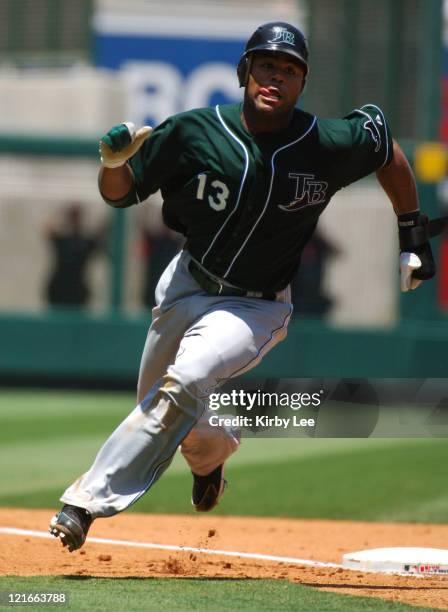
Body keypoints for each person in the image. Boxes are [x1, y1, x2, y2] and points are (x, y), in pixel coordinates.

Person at [49, 22, 435, 551]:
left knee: (186, 382)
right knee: (170, 408)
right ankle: (213, 459)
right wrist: (112, 164)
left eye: (290, 69)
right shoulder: (196, 130)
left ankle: (84, 503)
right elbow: (120, 193)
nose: (276, 77)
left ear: (303, 83)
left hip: (254, 307)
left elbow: (385, 149)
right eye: (266, 65)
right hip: (185, 285)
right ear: (245, 72)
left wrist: (413, 230)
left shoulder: (322, 141)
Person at [43, 203, 105, 308]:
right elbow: (47, 229)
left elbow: (101, 232)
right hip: (59, 289)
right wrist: (60, 214)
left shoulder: (86, 242)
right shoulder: (62, 240)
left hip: (77, 291)